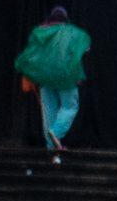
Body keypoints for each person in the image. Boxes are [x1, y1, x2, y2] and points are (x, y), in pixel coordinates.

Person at [13, 8, 90, 149]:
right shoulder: (72, 33)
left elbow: (31, 54)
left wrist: (27, 71)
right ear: (65, 20)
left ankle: (52, 152)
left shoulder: (40, 32)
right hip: (65, 77)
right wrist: (78, 74)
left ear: (51, 19)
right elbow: (78, 53)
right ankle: (56, 132)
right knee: (69, 107)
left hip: (45, 78)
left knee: (49, 111)